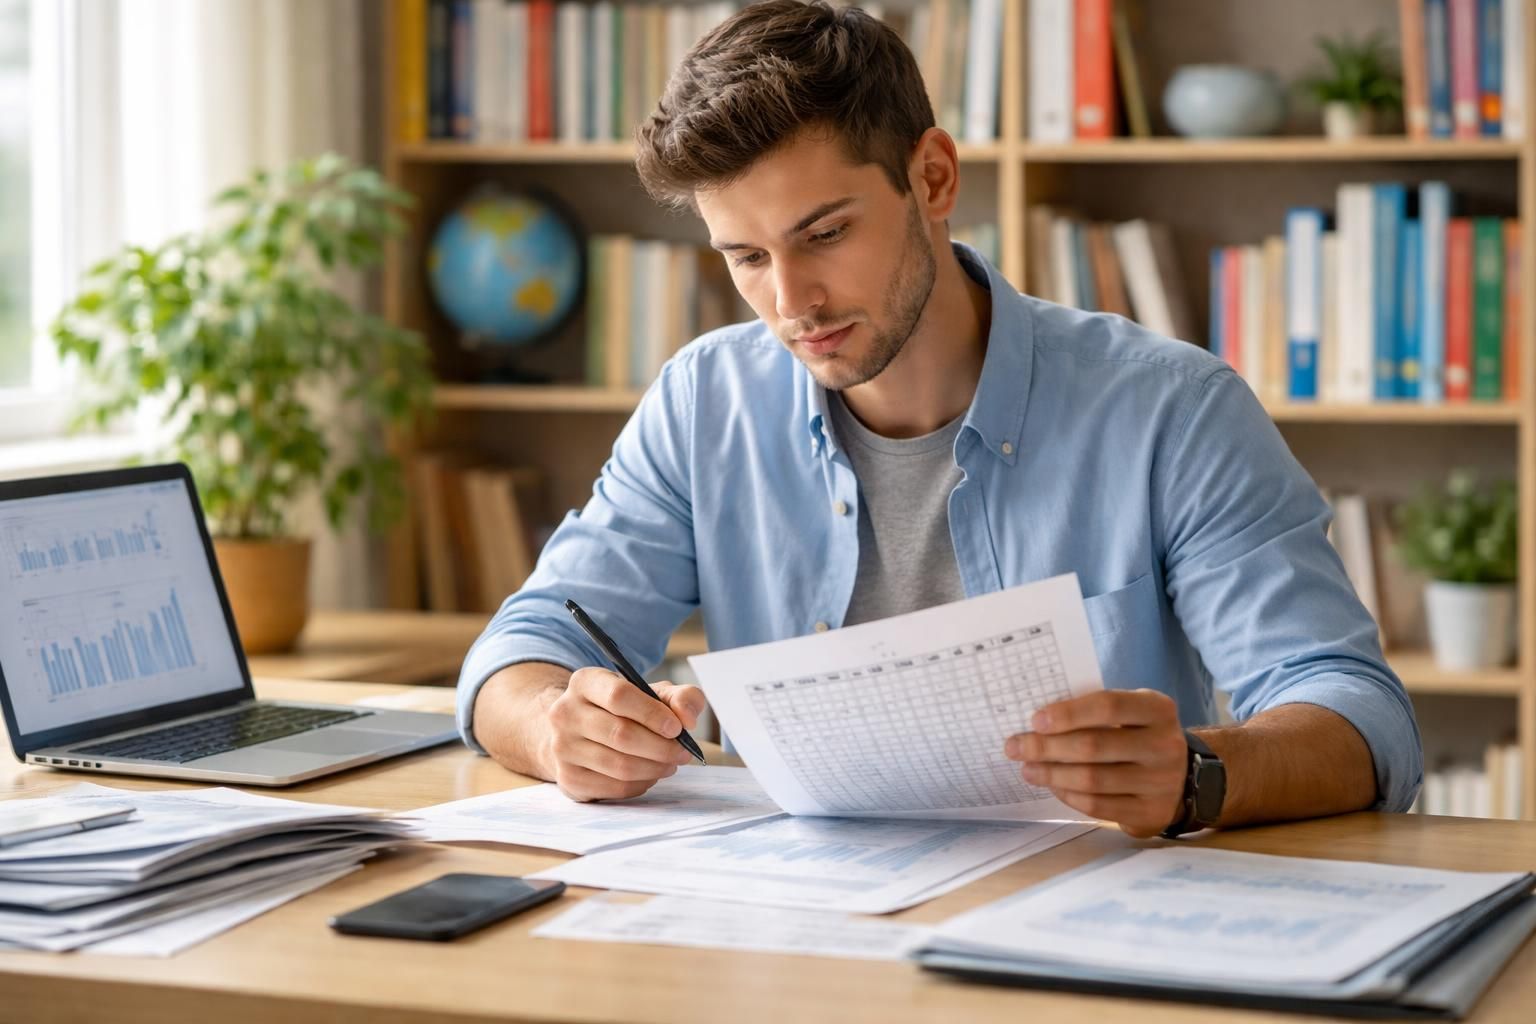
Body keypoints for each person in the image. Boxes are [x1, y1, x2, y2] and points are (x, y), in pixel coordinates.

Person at [457, 0, 1421, 838]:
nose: (792, 300)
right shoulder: (703, 402)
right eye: (746, 257)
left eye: (824, 233)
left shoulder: (1172, 409)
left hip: (1080, 934)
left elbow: (1361, 720)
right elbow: (523, 645)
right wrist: (554, 726)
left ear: (934, 179)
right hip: (787, 929)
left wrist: (1201, 775)